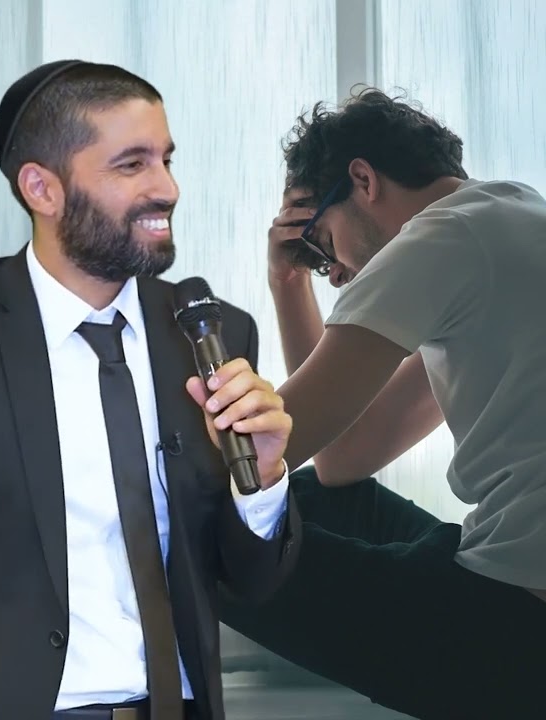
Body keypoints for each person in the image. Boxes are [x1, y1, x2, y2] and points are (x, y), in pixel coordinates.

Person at [0, 60, 301, 720]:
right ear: (42, 188)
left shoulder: (210, 333)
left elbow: (249, 586)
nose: (167, 188)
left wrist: (260, 484)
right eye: (132, 165)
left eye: (166, 159)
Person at [214, 87, 546, 719]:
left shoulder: (439, 237)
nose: (336, 273)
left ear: (363, 180)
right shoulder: (512, 218)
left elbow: (289, 446)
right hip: (524, 593)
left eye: (323, 244)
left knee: (200, 524)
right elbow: (345, 463)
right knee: (321, 500)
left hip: (519, 631)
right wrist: (290, 282)